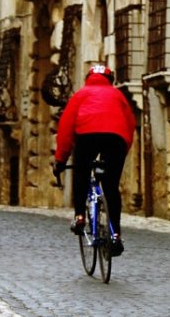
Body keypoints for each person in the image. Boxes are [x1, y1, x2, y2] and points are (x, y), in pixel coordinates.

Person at [53, 65, 136, 257]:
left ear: (88, 78)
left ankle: (80, 216)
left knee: (81, 174)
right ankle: (115, 234)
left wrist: (60, 159)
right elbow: (130, 124)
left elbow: (65, 128)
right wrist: (122, 151)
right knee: (111, 186)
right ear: (111, 79)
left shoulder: (80, 95)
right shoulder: (117, 96)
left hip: (86, 137)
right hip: (115, 139)